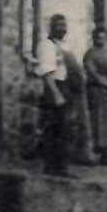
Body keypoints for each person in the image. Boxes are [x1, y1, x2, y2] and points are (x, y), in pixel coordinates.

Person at [34, 14, 72, 177]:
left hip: (63, 87)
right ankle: (51, 167)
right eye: (58, 26)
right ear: (52, 28)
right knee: (53, 130)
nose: (62, 29)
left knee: (64, 131)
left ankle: (60, 166)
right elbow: (47, 73)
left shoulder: (62, 46)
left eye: (64, 26)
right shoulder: (47, 46)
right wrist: (56, 95)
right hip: (53, 89)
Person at [83, 26, 107, 165]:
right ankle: (94, 153)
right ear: (93, 38)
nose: (101, 40)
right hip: (96, 90)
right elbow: (92, 73)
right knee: (97, 121)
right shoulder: (90, 54)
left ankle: (106, 154)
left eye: (103, 37)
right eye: (98, 37)